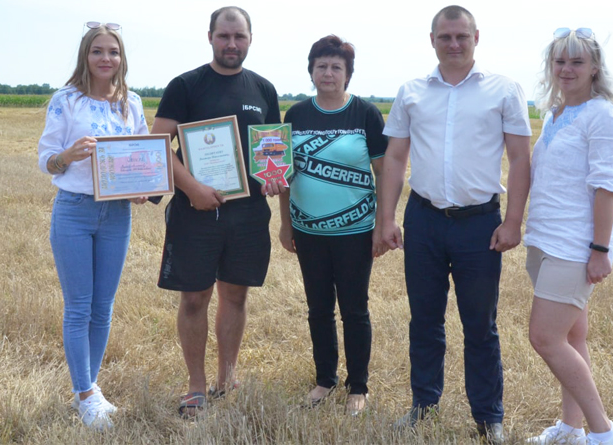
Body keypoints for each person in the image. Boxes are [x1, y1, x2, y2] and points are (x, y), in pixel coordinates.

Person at [376, 6, 531, 443]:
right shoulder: (411, 91)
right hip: (423, 220)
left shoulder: (504, 90)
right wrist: (385, 218)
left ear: (477, 37)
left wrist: (514, 220)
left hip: (479, 225)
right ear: (432, 40)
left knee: (480, 325)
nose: (454, 44)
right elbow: (394, 158)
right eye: (445, 37)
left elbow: (521, 158)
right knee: (424, 321)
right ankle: (423, 407)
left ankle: (488, 417)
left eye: (462, 36)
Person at [150, 6, 283, 417]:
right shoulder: (185, 85)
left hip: (248, 215)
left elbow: (272, 153)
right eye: (224, 36)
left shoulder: (264, 89)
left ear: (250, 39)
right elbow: (157, 146)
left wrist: (277, 177)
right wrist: (192, 188)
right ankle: (196, 385)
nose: (231, 44)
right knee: (194, 298)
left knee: (236, 295)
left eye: (239, 37)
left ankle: (227, 375)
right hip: (196, 211)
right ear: (210, 37)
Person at [37, 22, 149, 430]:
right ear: (86, 56)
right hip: (74, 209)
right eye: (98, 51)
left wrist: (142, 187)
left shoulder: (131, 103)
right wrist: (68, 155)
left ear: (122, 59)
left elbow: (143, 155)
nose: (106, 58)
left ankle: (88, 388)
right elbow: (47, 159)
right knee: (79, 306)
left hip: (117, 213)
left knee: (103, 308)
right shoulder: (66, 100)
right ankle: (85, 394)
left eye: (113, 52)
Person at [524, 28, 613, 445]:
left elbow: (607, 188)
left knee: (545, 337)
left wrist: (600, 250)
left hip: (574, 248)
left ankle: (604, 433)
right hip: (543, 242)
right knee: (571, 337)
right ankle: (570, 429)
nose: (567, 70)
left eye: (577, 62)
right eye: (560, 61)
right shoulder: (554, 113)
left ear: (594, 68)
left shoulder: (603, 118)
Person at [277, 35, 387, 417]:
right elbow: (283, 174)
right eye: (321, 66)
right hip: (308, 232)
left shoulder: (366, 114)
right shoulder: (295, 115)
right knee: (318, 308)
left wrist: (383, 223)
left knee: (354, 309)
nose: (328, 73)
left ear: (348, 74)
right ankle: (325, 379)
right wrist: (285, 224)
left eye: (336, 67)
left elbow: (385, 173)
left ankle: (359, 386)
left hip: (356, 232)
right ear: (311, 71)